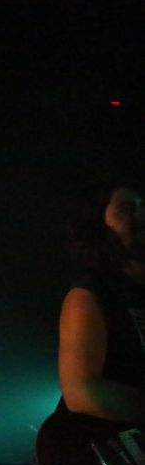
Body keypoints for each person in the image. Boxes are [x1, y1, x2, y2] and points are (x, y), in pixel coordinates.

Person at [58, 179, 145, 423]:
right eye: (127, 209)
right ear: (99, 225)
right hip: (110, 440)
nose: (142, 216)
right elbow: (81, 391)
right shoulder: (90, 295)